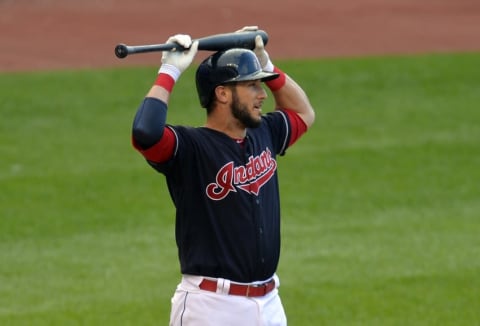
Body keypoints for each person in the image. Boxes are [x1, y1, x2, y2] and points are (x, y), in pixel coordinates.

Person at [131, 26, 315, 326]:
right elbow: (145, 133)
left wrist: (268, 66)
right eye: (253, 85)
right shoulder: (189, 149)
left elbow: (304, 113)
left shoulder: (263, 133)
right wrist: (169, 71)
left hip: (269, 303)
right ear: (222, 93)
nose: (262, 95)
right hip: (211, 307)